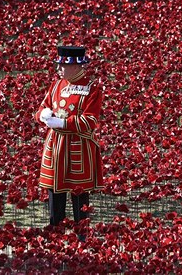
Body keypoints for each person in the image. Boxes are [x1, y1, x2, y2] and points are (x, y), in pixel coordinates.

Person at [35, 45, 104, 238]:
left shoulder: (92, 89)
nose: (59, 69)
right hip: (55, 147)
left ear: (76, 67)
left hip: (78, 148)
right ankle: (56, 234)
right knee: (54, 193)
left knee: (79, 196)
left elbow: (90, 120)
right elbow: (41, 109)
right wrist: (44, 116)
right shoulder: (56, 85)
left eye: (62, 66)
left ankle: (82, 236)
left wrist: (64, 122)